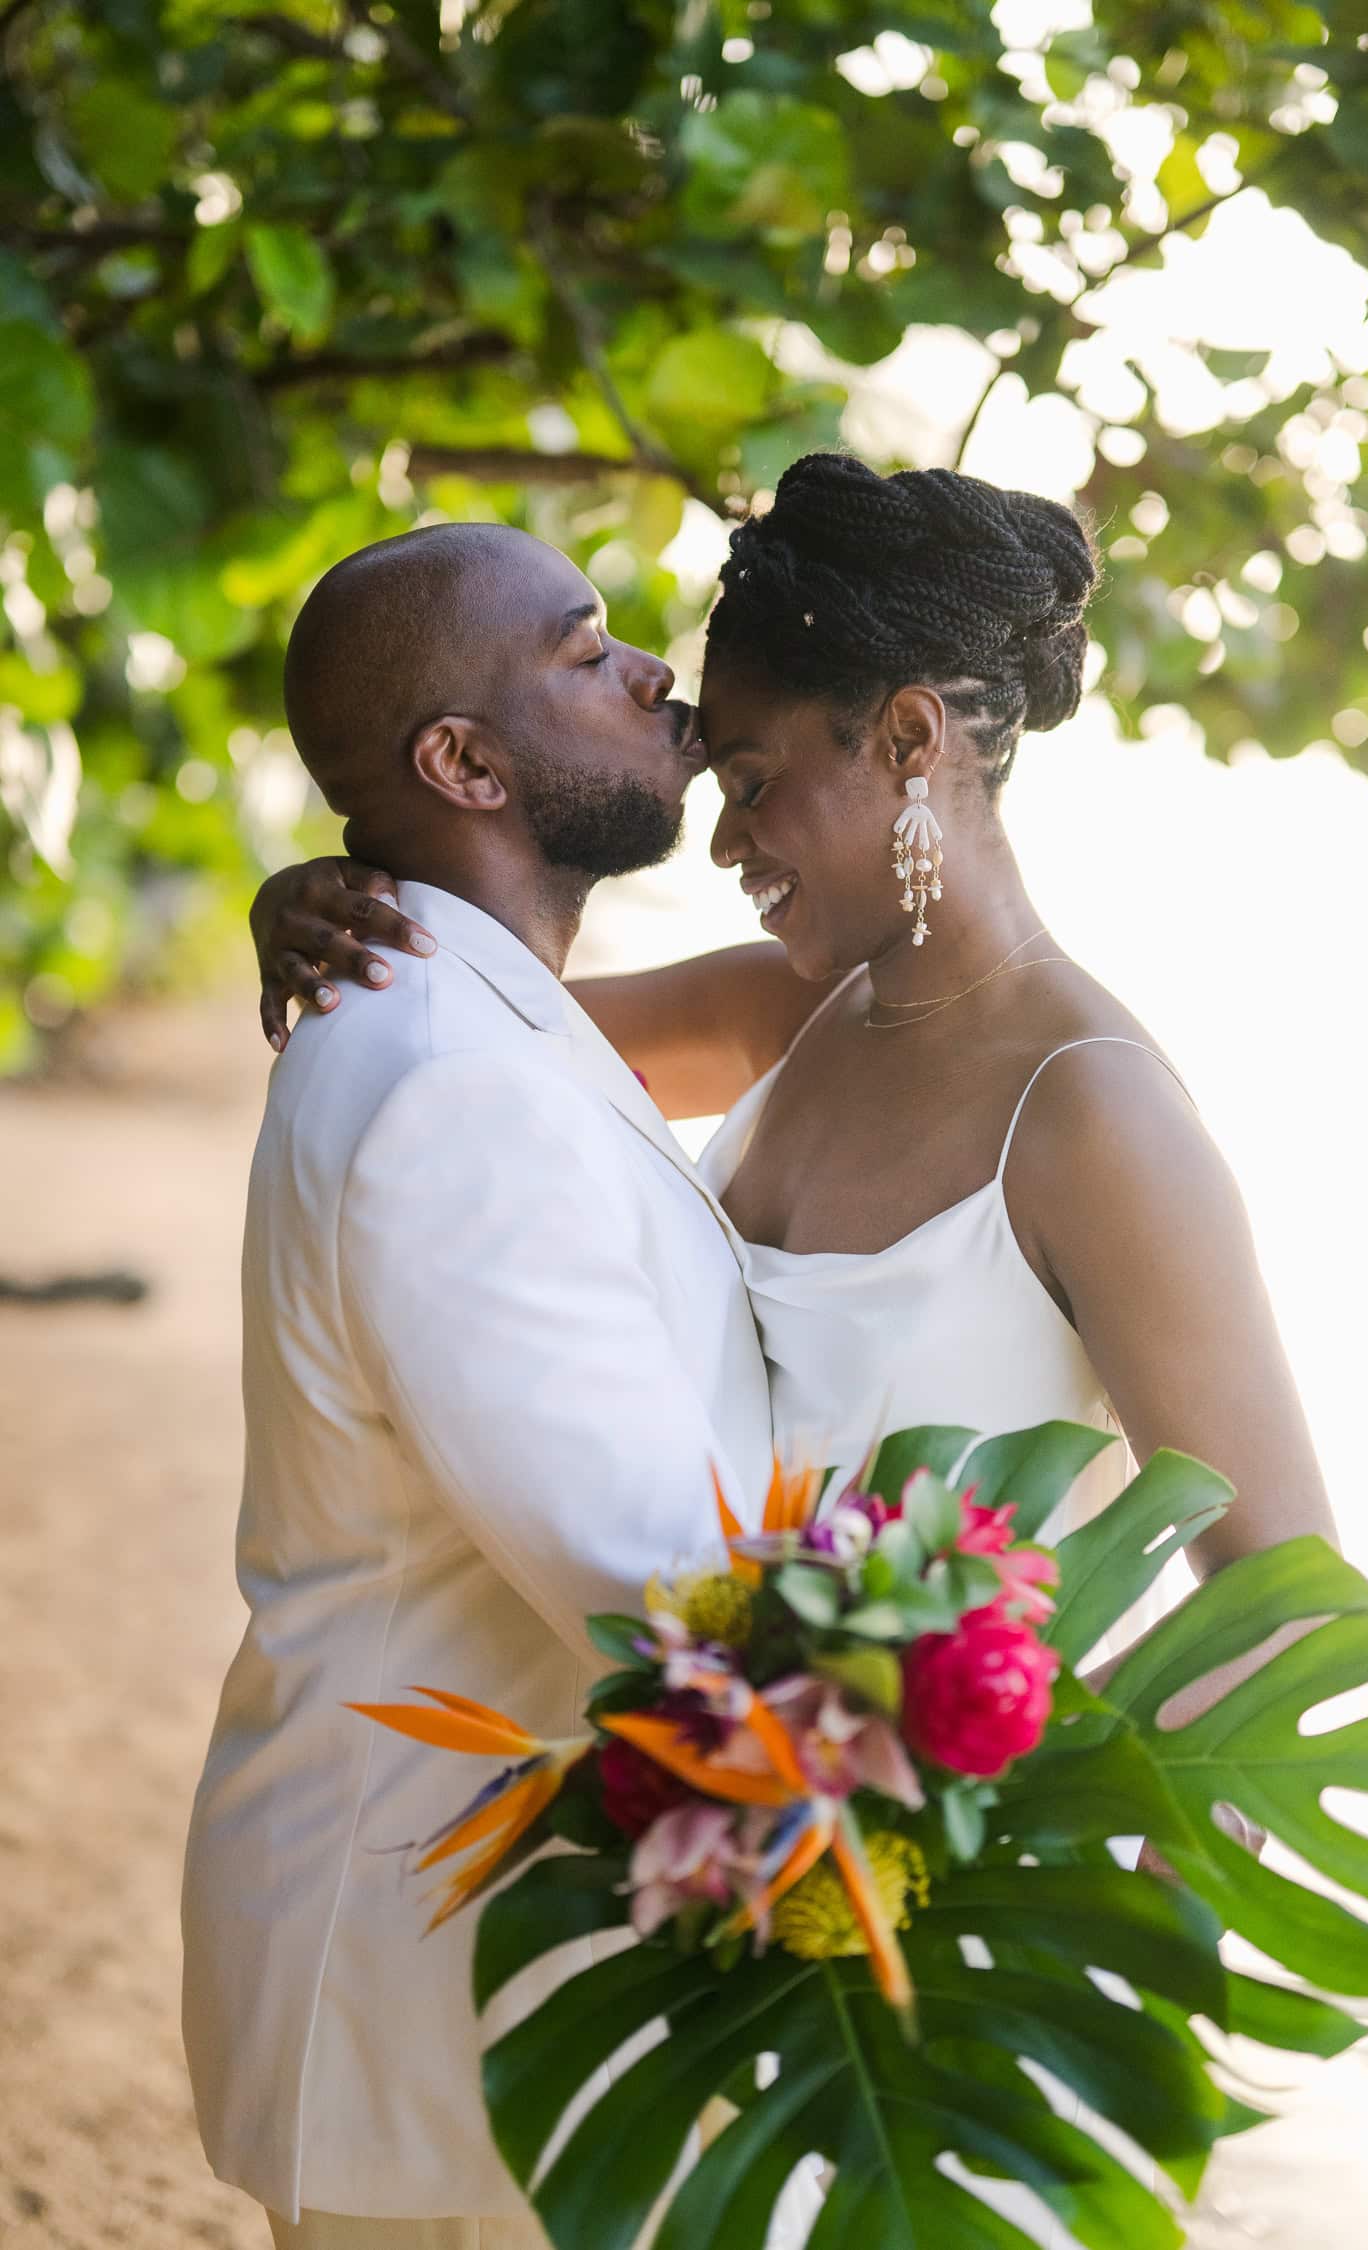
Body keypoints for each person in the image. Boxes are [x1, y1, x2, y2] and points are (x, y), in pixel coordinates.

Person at [258, 453, 1337, 1627]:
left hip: (980, 1784)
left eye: (754, 780)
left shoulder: (1094, 1117)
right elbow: (470, 1031)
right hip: (763, 1763)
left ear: (910, 740)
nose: (724, 844)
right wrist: (342, 890)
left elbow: (1289, 1606)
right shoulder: (793, 1012)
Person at [181, 522, 773, 2250]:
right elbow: (652, 1570)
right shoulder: (446, 1068)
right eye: (587, 651)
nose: (656, 672)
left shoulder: (468, 1012)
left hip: (454, 1966)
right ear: (463, 761)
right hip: (430, 1982)